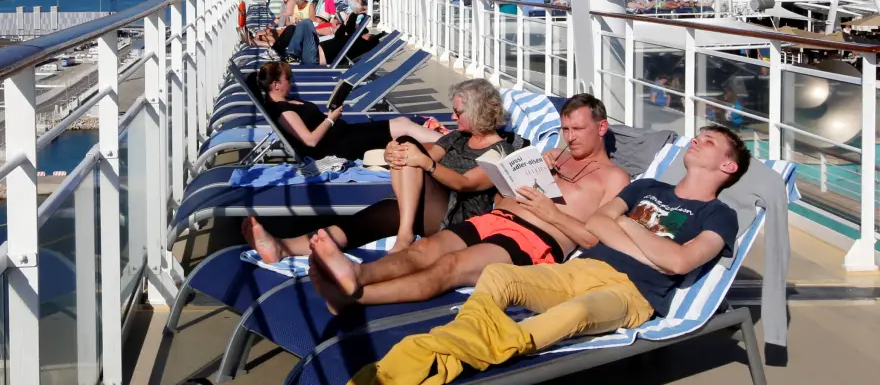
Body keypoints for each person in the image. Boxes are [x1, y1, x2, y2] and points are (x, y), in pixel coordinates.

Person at [348, 126, 750, 384]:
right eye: (698, 135)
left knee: (575, 313)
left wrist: (626, 227)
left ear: (728, 165)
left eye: (708, 141)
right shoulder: (647, 187)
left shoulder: (720, 215)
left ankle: (429, 356)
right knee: (498, 276)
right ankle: (446, 352)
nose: (696, 139)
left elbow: (680, 263)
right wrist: (642, 239)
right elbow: (598, 223)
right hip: (581, 270)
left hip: (630, 294)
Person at [308, 94, 630, 314]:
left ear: (601, 127)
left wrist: (551, 214)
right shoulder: (554, 156)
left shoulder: (614, 179)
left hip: (535, 239)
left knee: (450, 267)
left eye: (578, 129)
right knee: (422, 250)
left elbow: (597, 239)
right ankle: (358, 273)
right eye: (565, 129)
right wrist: (517, 180)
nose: (570, 137)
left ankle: (355, 297)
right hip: (496, 217)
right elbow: (503, 197)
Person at [245, 79, 526, 260]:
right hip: (427, 206)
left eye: (458, 113)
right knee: (362, 222)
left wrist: (424, 162)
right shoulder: (457, 137)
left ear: (478, 112)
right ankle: (283, 248)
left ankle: (404, 235)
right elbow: (430, 152)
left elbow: (467, 183)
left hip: (459, 218)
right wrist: (395, 152)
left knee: (411, 153)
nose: (453, 117)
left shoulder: (504, 148)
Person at [254, 61, 444, 160]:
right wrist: (330, 119)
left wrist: (331, 115)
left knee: (402, 122)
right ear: (276, 84)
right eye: (288, 79)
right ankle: (451, 143)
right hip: (340, 146)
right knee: (403, 127)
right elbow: (310, 141)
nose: (291, 81)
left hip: (344, 134)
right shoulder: (282, 111)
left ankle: (445, 142)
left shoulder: (288, 101)